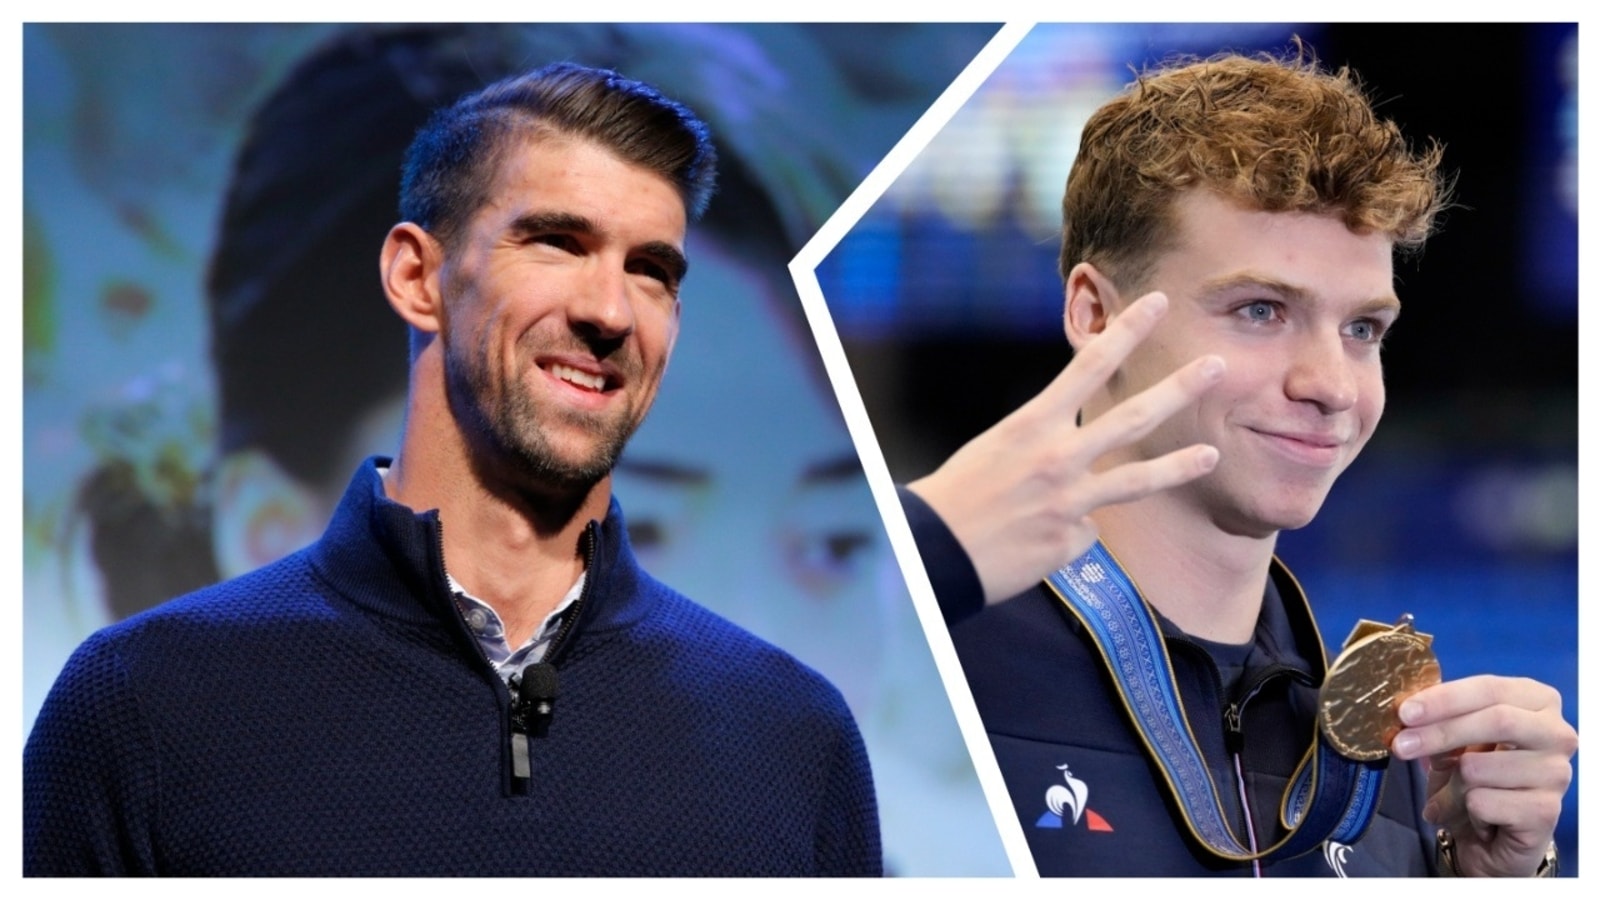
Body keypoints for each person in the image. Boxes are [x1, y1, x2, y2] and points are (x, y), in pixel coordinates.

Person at [24, 62, 881, 876]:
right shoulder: (143, 706)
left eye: (651, 270)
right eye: (556, 242)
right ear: (416, 276)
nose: (610, 311)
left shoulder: (793, 738)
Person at [901, 46, 1577, 876]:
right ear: (1094, 313)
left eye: (1363, 329)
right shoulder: (918, 647)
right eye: (1261, 310)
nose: (1331, 385)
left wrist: (1498, 881)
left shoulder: (1390, 757)